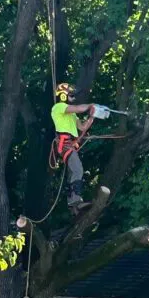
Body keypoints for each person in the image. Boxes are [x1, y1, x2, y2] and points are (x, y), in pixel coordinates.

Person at [51, 82, 96, 213]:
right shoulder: (58, 107)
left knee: (73, 172)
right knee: (78, 170)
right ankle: (76, 201)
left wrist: (92, 116)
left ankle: (73, 206)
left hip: (71, 145)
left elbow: (82, 127)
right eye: (71, 96)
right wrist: (90, 106)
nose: (74, 98)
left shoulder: (72, 114)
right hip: (65, 145)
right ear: (63, 96)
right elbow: (79, 108)